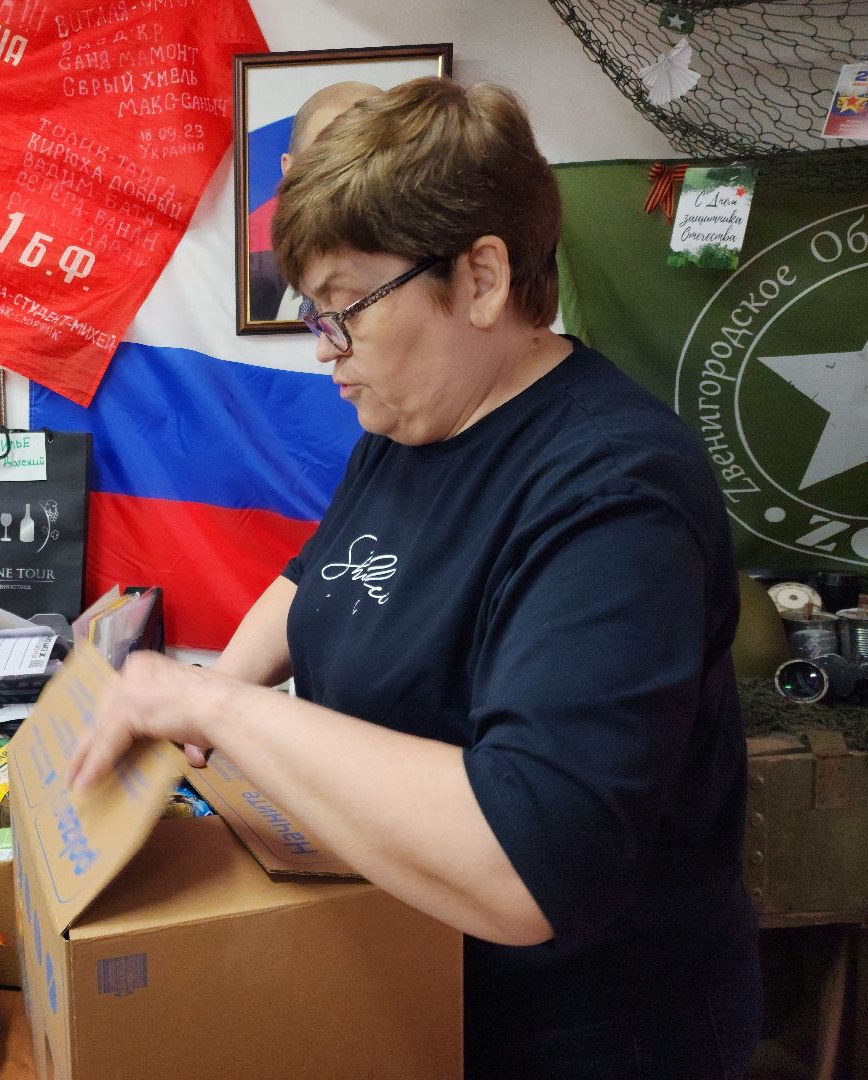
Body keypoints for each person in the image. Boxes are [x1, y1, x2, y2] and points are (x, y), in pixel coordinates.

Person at [71, 77, 761, 1080]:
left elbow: (527, 863)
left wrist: (217, 711)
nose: (327, 354)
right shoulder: (410, 426)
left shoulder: (616, 493)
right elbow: (323, 579)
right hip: (418, 981)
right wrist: (196, 692)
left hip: (591, 1033)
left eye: (345, 310)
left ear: (481, 277)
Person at [246, 80, 380, 323]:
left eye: (367, 158)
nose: (344, 179)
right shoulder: (256, 280)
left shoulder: (428, 286)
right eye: (322, 160)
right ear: (289, 170)